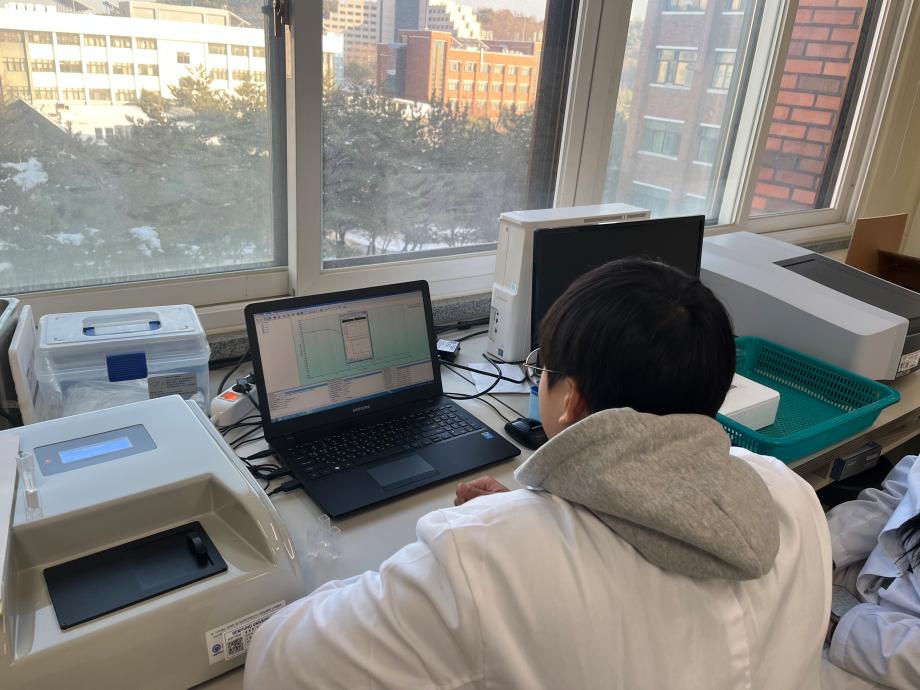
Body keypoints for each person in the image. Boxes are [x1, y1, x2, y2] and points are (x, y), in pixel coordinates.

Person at [244, 258, 832, 689]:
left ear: (570, 401)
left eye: (540, 368)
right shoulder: (789, 495)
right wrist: (523, 522)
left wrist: (499, 535)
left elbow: (281, 665)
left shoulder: (483, 561)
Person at [824, 454, 920, 689]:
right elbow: (892, 502)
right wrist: (822, 553)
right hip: (865, 580)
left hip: (887, 652)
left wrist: (837, 628)